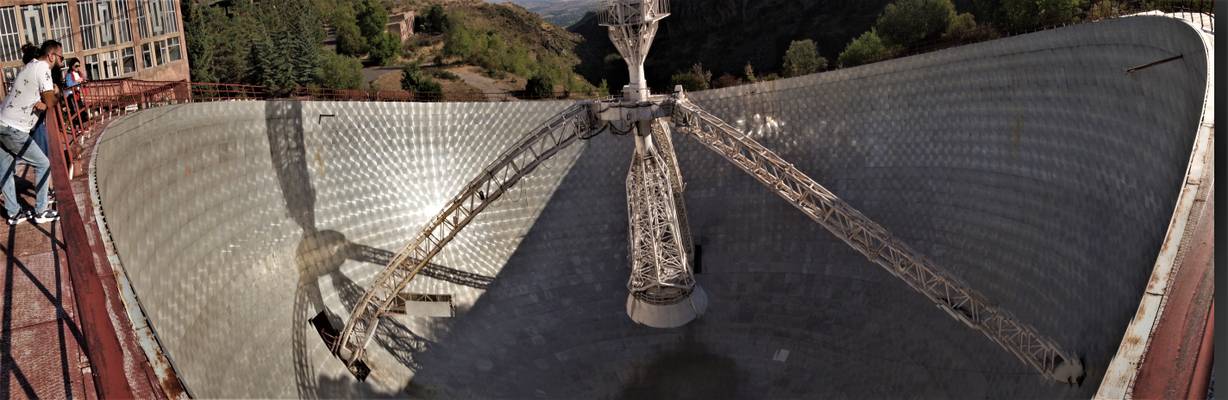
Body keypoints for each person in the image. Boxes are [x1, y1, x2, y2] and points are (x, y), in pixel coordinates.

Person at [0, 40, 62, 225]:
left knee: (4, 170)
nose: (60, 61)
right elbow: (50, 101)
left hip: (2, 122)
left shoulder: (30, 65)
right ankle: (41, 211)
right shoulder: (43, 69)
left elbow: (43, 100)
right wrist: (55, 94)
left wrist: (45, 101)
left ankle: (13, 213)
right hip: (14, 128)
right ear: (51, 56)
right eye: (60, 57)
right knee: (43, 163)